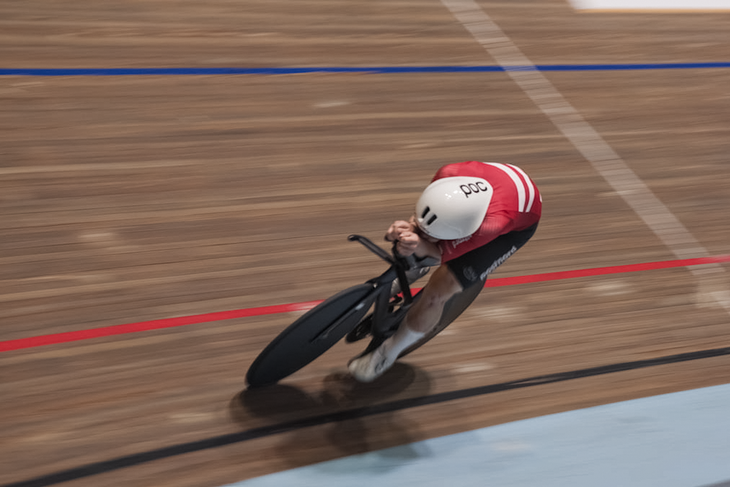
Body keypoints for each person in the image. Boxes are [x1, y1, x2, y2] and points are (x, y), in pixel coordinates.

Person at [348, 160, 542, 382]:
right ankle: (409, 272)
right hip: (495, 192)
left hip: (514, 223)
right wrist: (408, 230)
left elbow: (443, 254)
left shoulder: (491, 225)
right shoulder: (447, 174)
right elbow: (425, 219)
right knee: (421, 235)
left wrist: (422, 246)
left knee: (439, 291)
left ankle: (386, 354)